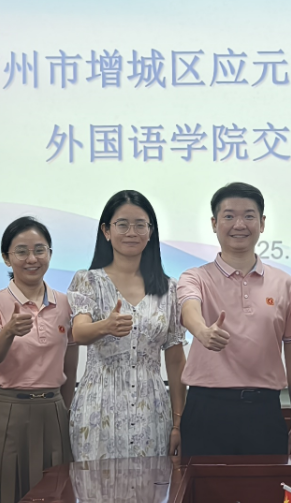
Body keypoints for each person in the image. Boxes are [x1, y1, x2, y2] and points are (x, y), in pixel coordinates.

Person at [179, 182, 291, 456]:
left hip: (264, 411)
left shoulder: (284, 283)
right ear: (214, 223)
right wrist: (202, 331)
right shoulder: (195, 277)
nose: (239, 224)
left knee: (265, 483)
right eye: (229, 216)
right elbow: (189, 309)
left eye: (249, 216)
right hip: (205, 410)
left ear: (262, 223)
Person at [67, 191, 185, 461]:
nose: (131, 232)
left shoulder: (169, 289)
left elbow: (176, 360)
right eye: (122, 224)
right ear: (106, 231)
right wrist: (105, 326)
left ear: (150, 232)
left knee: (151, 483)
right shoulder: (88, 280)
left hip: (151, 408)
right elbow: (79, 333)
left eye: (140, 225)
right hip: (98, 407)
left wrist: (178, 422)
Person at [0, 217, 79, 503]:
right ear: (6, 258)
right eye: (21, 251)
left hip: (53, 411)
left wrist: (64, 410)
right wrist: (8, 331)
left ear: (50, 254)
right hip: (6, 411)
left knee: (54, 494)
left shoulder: (65, 303)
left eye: (39, 250)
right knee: (3, 493)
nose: (32, 259)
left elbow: (70, 366)